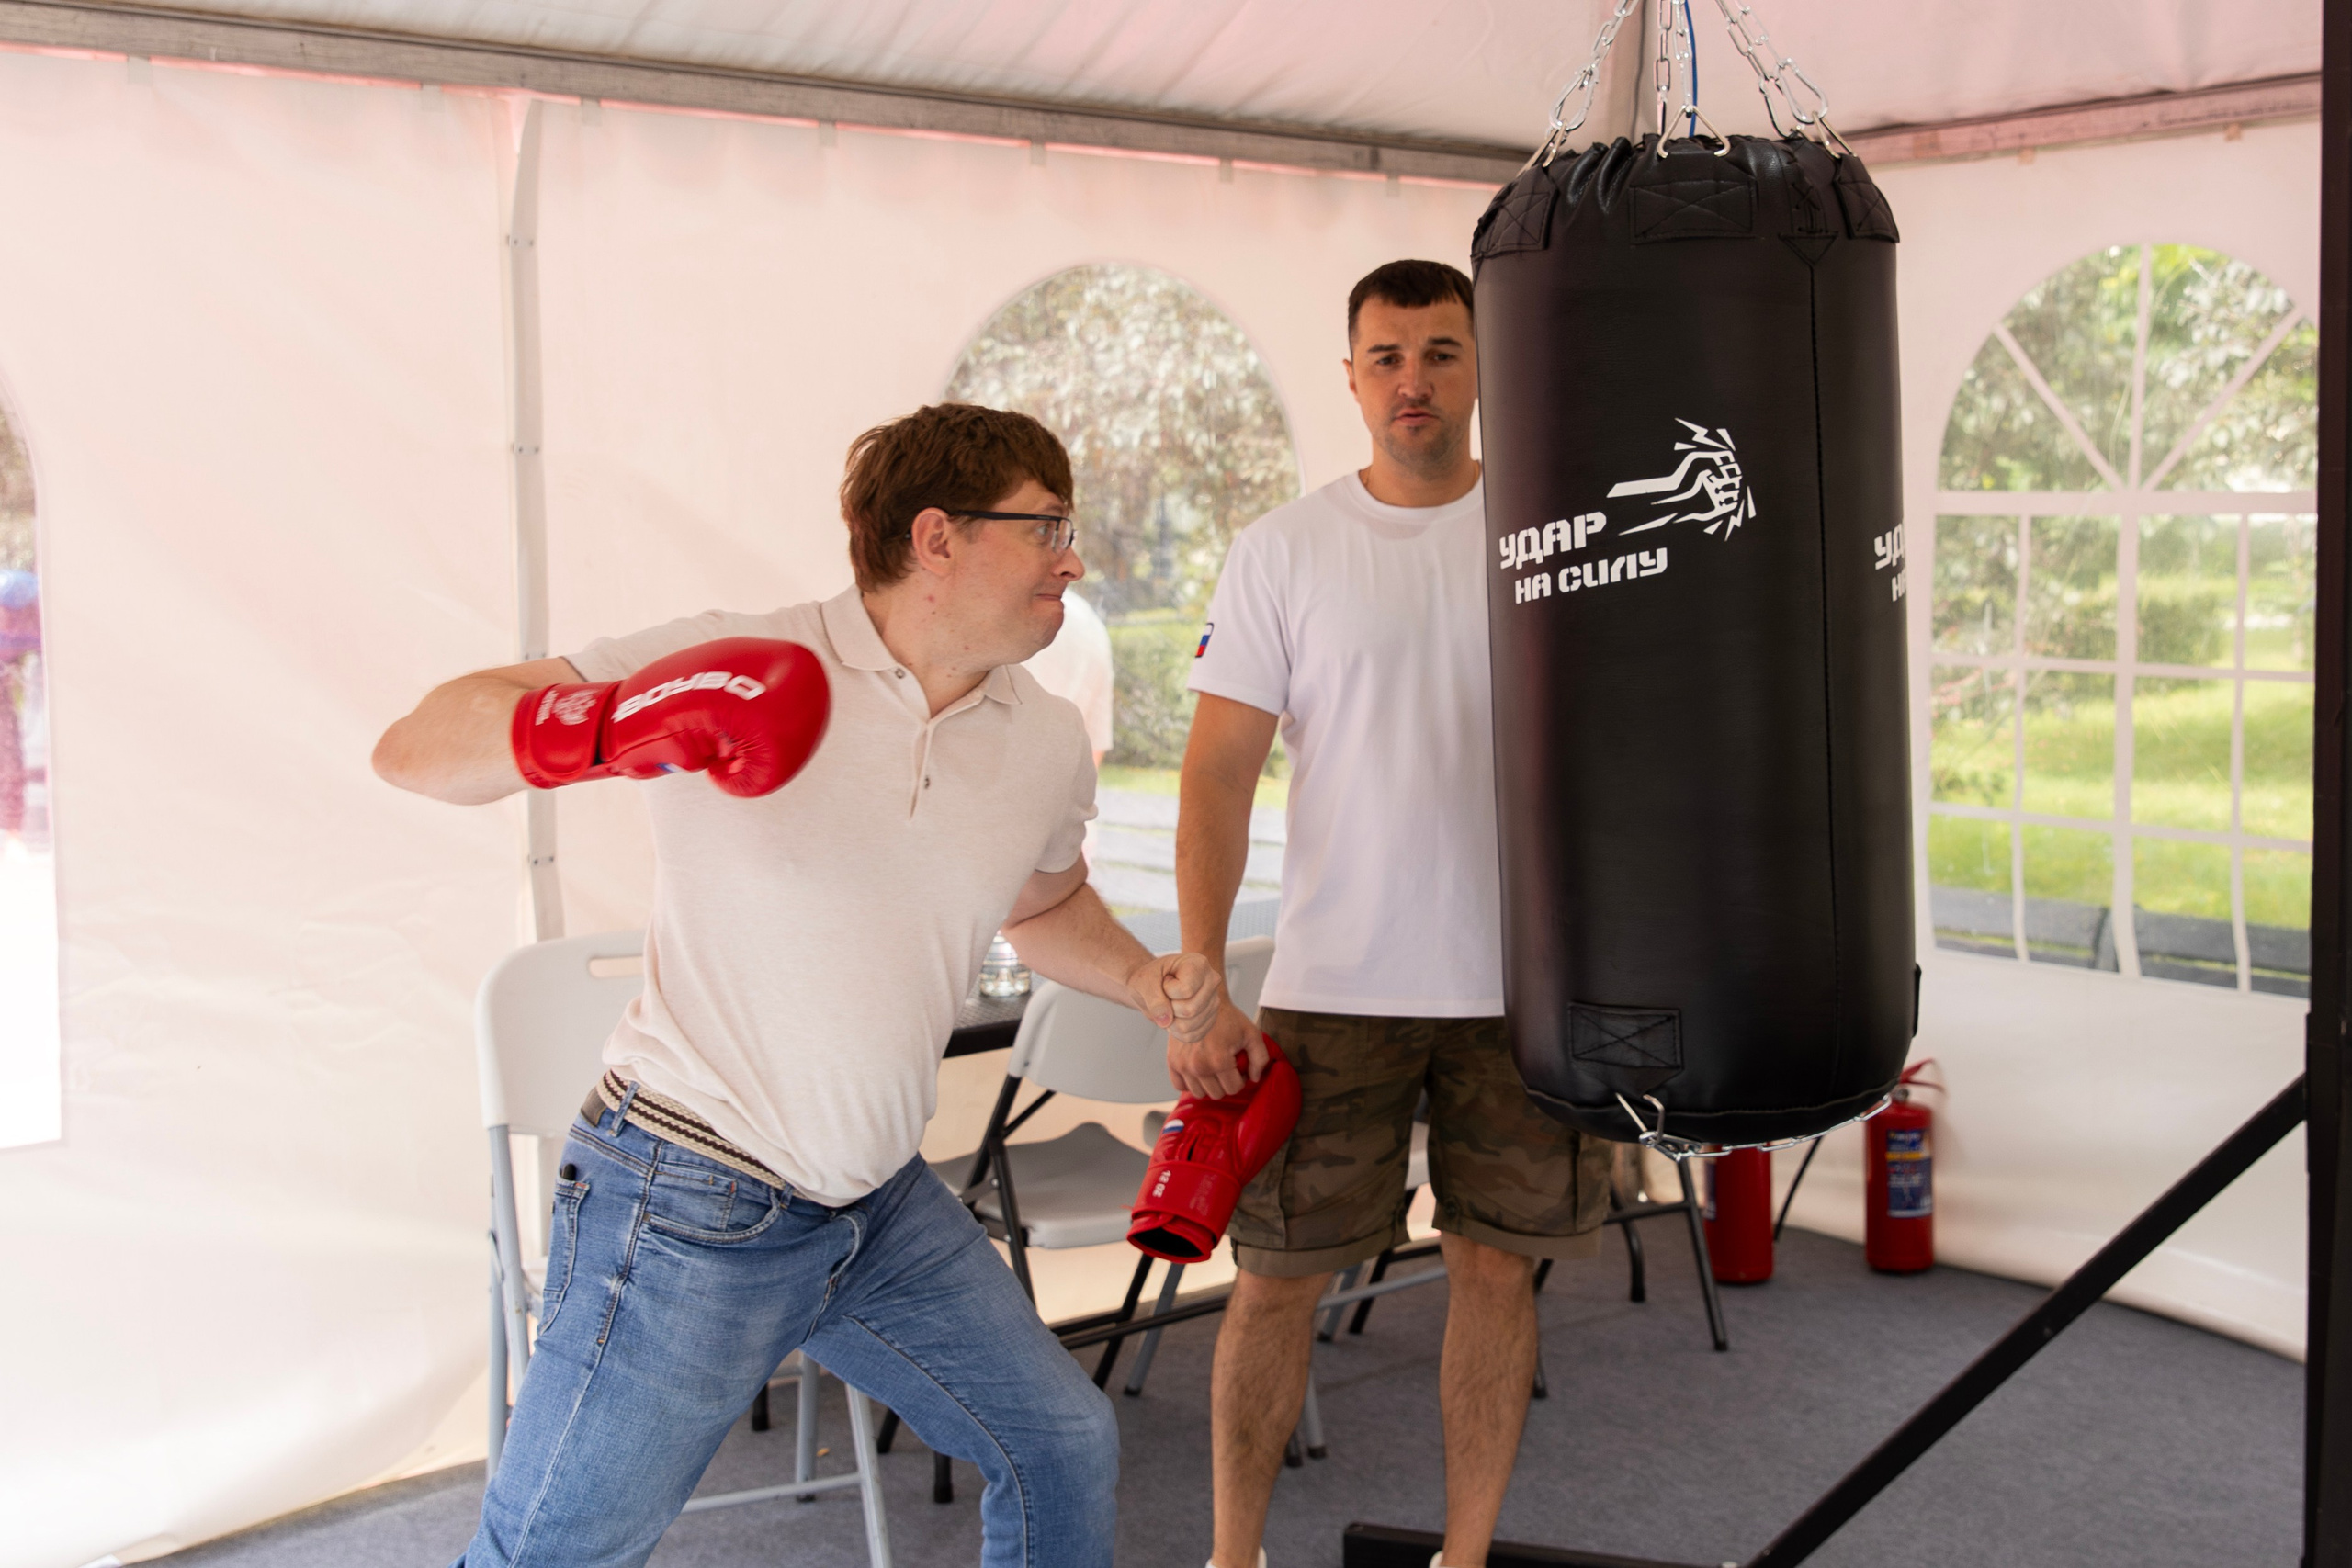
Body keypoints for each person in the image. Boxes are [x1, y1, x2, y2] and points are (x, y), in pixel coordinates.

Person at [374, 402, 1226, 1568]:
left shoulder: (1041, 739)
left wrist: (1141, 975)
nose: (1072, 558)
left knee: (1061, 1442)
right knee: (545, 1560)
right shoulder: (741, 654)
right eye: (1043, 528)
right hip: (686, 1198)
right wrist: (620, 721)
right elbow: (414, 745)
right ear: (937, 538)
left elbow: (1042, 905)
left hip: (873, 1200)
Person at [1174, 261, 1614, 1568]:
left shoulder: (1559, 539)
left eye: (1438, 350)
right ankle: (1231, 1556)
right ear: (1353, 374)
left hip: (1521, 994)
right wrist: (1200, 973)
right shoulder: (1285, 550)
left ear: (1482, 367)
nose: (1412, 379)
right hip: (1334, 989)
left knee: (1496, 1269)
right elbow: (1213, 774)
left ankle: (1463, 1555)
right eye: (1386, 355)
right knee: (1274, 1276)